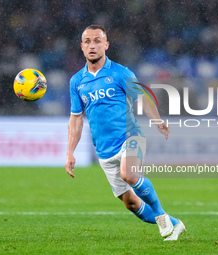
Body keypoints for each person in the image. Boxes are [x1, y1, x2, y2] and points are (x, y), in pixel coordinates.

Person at [64, 24, 185, 241]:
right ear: (82, 47)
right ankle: (175, 223)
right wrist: (70, 152)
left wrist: (157, 121)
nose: (93, 45)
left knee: (129, 174)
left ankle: (161, 217)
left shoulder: (120, 73)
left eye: (97, 41)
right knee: (131, 204)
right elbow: (76, 119)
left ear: (106, 45)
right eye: (88, 41)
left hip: (130, 137)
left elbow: (143, 97)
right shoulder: (76, 82)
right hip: (104, 151)